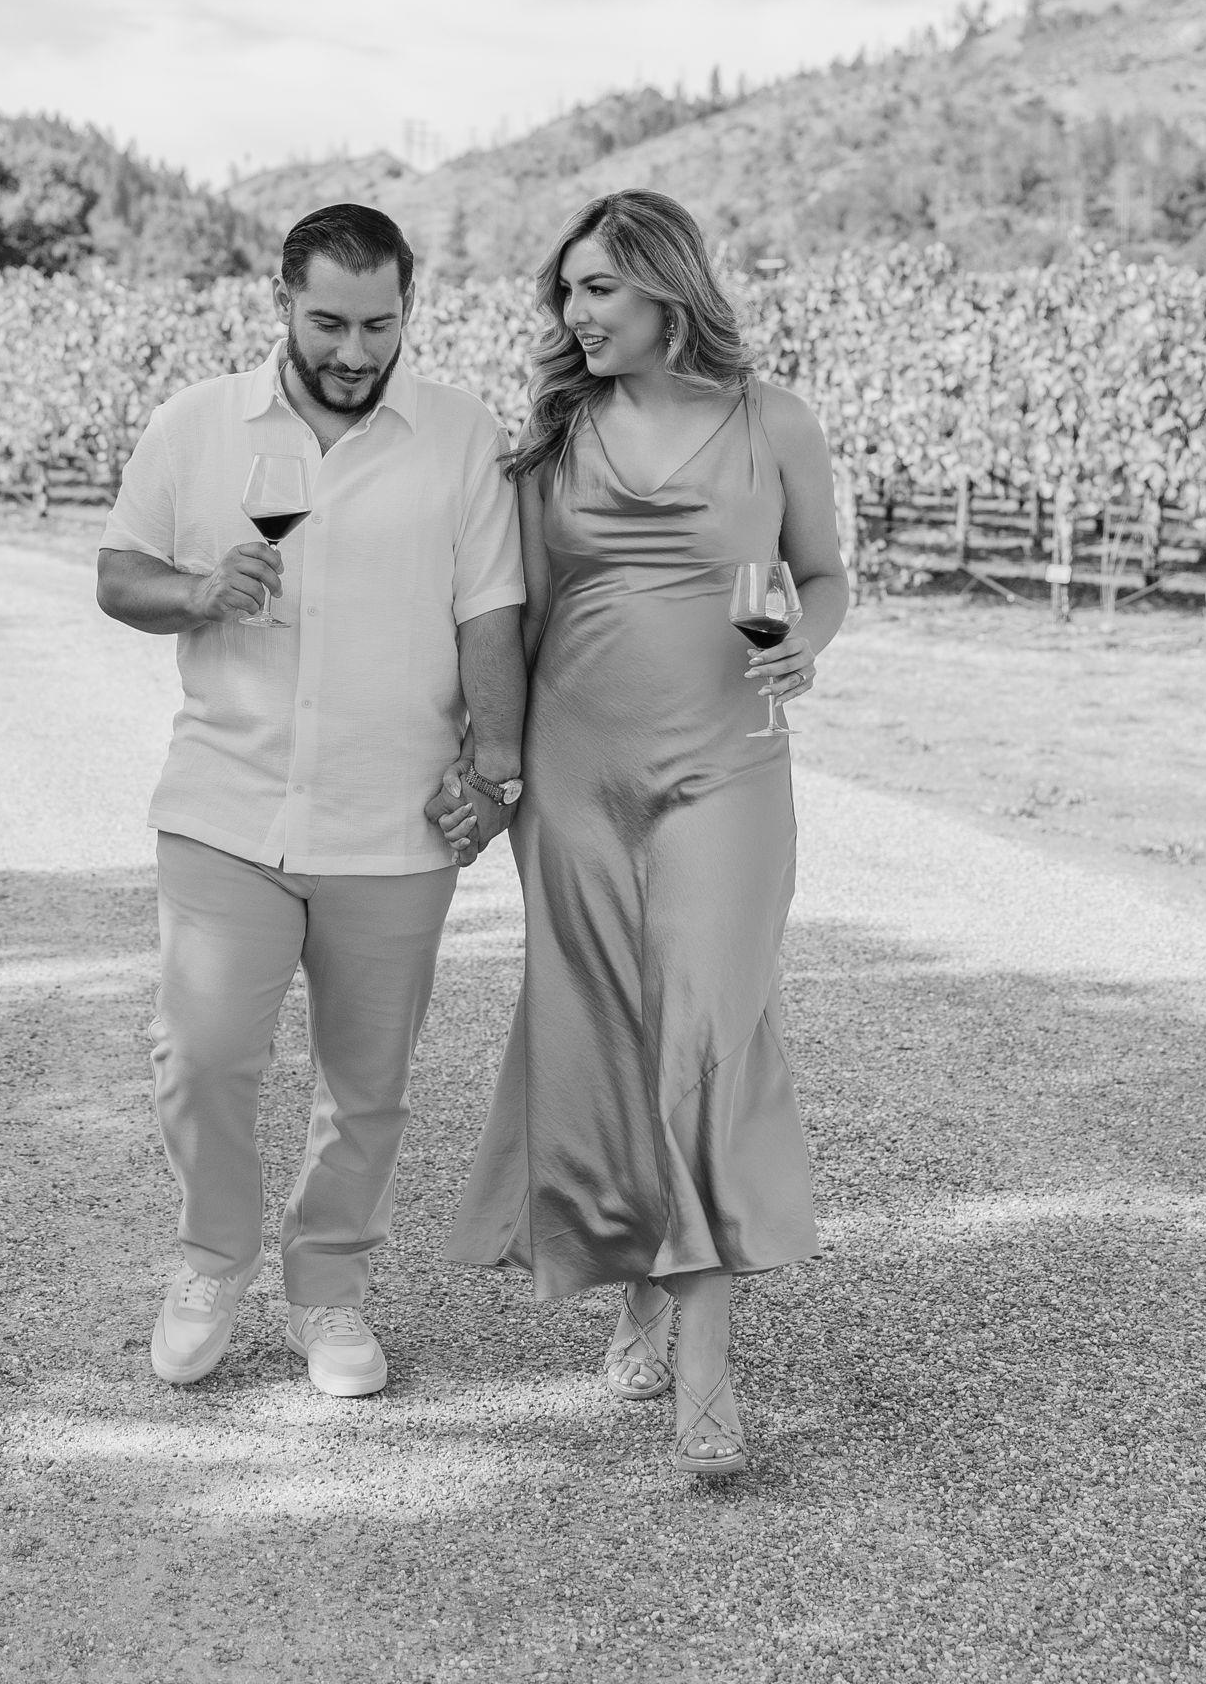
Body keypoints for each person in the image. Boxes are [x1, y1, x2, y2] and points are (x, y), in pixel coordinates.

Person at [434, 190, 849, 1476]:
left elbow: (821, 573)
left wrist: (806, 644)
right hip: (577, 771)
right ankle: (640, 1288)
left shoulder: (772, 419)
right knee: (610, 1034)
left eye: (598, 286)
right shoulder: (555, 437)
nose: (575, 311)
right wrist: (491, 769)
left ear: (667, 287)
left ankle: (707, 1363)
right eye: (565, 291)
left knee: (703, 1031)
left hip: (727, 763)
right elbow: (519, 616)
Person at [97, 202, 525, 1398]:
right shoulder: (195, 424)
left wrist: (495, 773)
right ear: (281, 301)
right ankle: (209, 1260)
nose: (353, 349)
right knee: (199, 1053)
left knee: (366, 1083)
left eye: (378, 324)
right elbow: (118, 575)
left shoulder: (461, 435)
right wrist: (198, 590)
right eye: (329, 321)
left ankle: (327, 1287)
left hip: (393, 820)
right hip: (225, 805)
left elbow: (491, 611)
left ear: (407, 309)